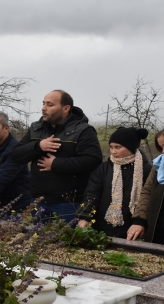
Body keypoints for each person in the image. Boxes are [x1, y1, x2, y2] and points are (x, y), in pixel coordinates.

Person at [11, 90, 102, 222]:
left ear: (66, 108)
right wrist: (38, 146)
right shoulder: (36, 128)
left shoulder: (83, 131)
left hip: (69, 203)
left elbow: (93, 161)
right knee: (38, 241)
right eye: (43, 104)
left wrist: (55, 164)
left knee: (67, 242)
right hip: (38, 201)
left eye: (50, 105)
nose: (43, 108)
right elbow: (16, 155)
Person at [77, 127, 152, 238]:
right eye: (111, 147)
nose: (113, 151)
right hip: (103, 227)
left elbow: (148, 199)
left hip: (132, 229)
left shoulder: (146, 170)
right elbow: (92, 193)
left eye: (118, 147)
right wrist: (85, 216)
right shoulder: (104, 168)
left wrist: (140, 222)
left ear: (131, 147)